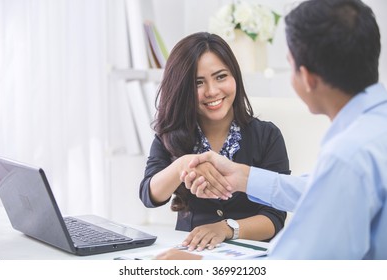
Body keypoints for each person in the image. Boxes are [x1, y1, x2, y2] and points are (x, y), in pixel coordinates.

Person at [156, 0, 387, 260]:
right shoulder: (373, 133)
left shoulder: (347, 156)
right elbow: (317, 189)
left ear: (307, 78)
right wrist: (242, 177)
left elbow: (295, 265)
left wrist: (204, 267)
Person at [140, 32, 291, 251]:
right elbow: (149, 195)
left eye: (221, 77)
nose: (212, 91)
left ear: (235, 77)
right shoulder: (170, 135)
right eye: (198, 82)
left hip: (250, 256)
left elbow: (275, 217)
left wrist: (226, 228)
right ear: (182, 88)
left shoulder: (267, 135)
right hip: (193, 254)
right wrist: (184, 164)